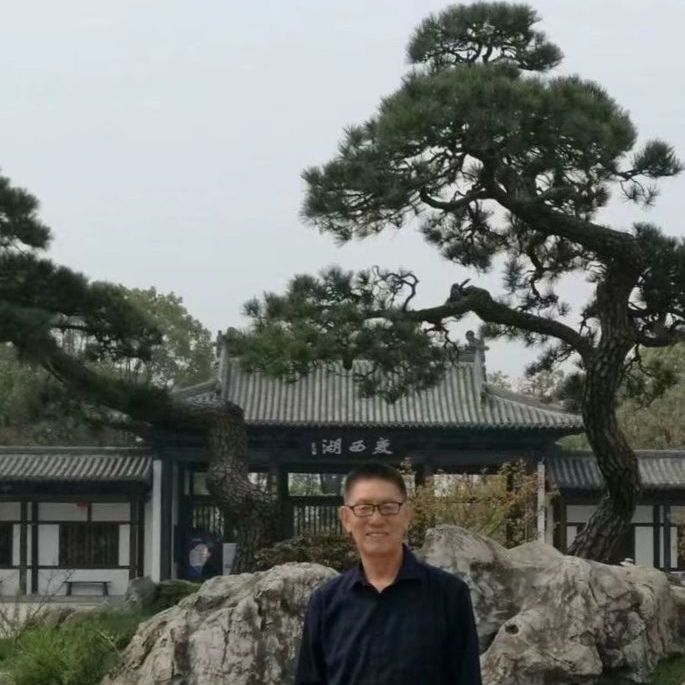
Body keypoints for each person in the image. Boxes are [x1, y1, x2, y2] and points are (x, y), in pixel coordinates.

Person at [295, 462, 482, 685]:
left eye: (388, 507)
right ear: (346, 519)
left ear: (407, 515)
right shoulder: (326, 602)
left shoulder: (449, 595)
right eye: (364, 508)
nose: (376, 519)